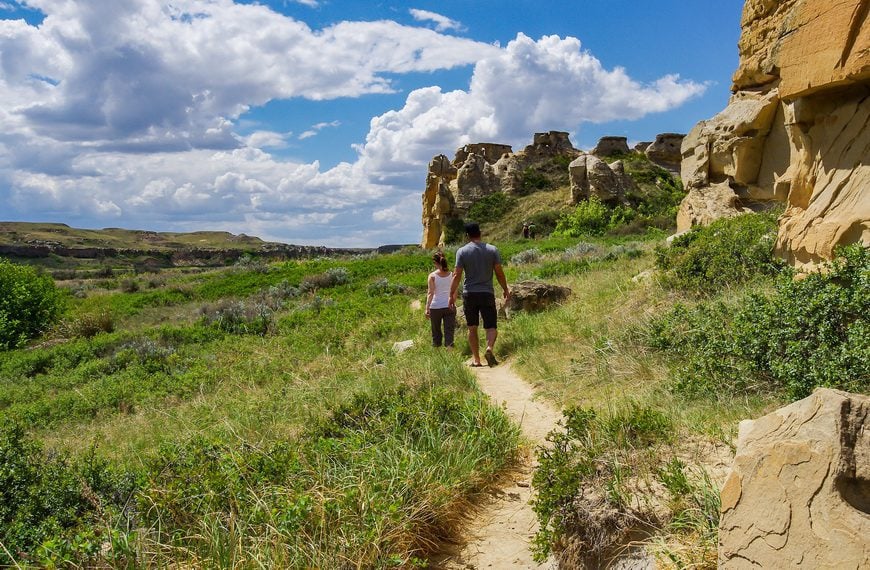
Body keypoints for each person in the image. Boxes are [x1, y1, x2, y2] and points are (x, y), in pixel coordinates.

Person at [450, 222, 510, 367]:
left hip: (469, 293)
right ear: (480, 233)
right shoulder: (492, 249)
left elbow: (457, 274)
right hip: (487, 292)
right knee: (491, 326)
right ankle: (489, 348)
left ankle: (476, 360)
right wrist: (505, 288)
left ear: (467, 235)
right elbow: (499, 272)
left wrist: (451, 293)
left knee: (472, 327)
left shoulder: (462, 252)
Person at [425, 251, 455, 347]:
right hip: (449, 306)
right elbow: (455, 291)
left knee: (436, 331)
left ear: (435, 263)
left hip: (435, 307)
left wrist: (427, 308)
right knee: (449, 331)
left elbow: (430, 293)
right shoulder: (452, 274)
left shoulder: (432, 276)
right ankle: (450, 352)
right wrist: (453, 303)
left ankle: (437, 352)